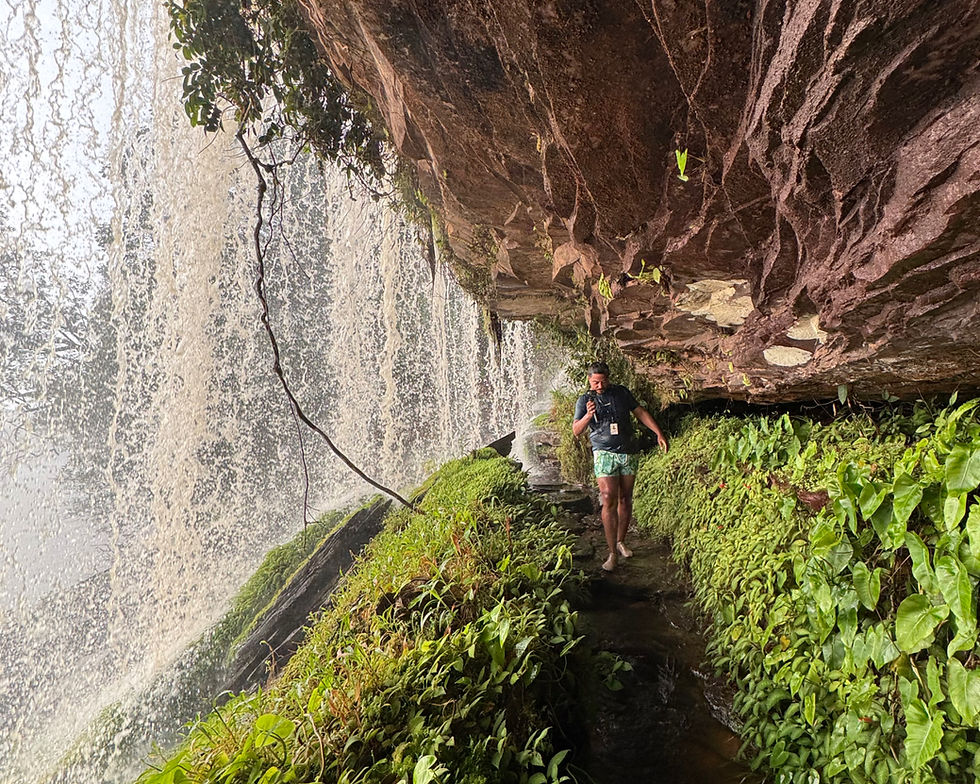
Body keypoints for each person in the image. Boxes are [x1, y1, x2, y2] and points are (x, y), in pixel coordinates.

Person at [572, 361, 668, 572]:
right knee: (608, 498)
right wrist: (588, 415)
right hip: (603, 453)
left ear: (608, 378)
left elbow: (640, 412)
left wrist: (658, 432)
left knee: (626, 497)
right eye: (596, 382)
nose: (600, 385)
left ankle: (621, 541)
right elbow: (576, 431)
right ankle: (611, 553)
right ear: (589, 380)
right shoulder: (584, 400)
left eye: (603, 381)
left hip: (627, 452)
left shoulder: (621, 393)